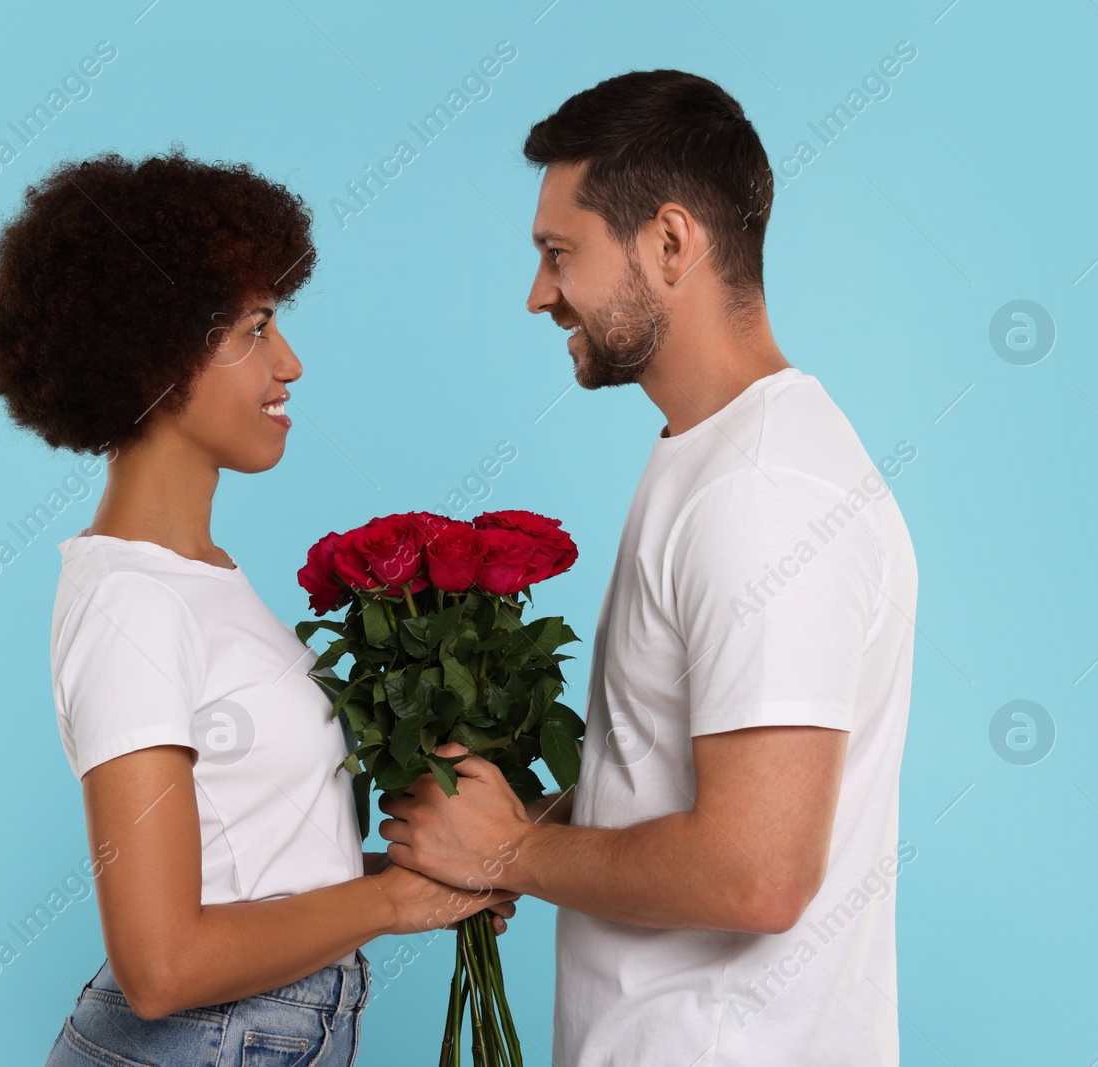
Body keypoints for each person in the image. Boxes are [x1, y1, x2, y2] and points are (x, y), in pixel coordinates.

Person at [376, 70, 919, 1066]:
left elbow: (755, 872)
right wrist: (499, 830)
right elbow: (670, 783)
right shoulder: (714, 454)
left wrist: (512, 850)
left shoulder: (764, 492)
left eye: (558, 255)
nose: (538, 294)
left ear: (670, 243)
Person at [0, 150, 517, 1067]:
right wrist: (388, 904)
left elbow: (259, 874)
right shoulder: (132, 604)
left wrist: (425, 877)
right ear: (154, 348)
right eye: (257, 327)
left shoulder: (200, 579)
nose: (290, 361)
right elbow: (161, 963)